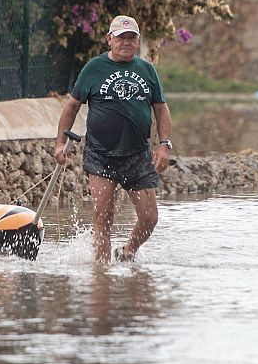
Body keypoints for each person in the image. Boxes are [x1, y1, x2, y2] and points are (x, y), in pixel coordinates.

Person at [54, 15, 173, 262]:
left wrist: (164, 145)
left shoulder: (147, 70)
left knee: (150, 217)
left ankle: (128, 251)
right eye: (121, 38)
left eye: (132, 38)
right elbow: (72, 106)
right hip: (101, 154)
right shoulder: (94, 68)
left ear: (137, 41)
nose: (126, 43)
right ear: (110, 39)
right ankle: (102, 274)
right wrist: (59, 144)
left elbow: (161, 108)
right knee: (103, 216)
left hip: (138, 155)